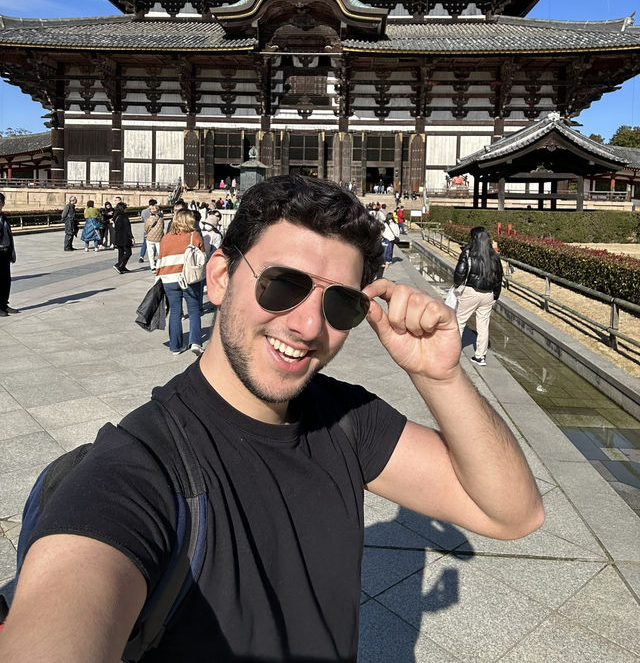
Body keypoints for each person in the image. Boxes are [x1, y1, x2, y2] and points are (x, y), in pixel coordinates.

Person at [0, 176, 543, 662]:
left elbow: (513, 514)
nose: (308, 325)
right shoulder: (135, 473)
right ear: (218, 277)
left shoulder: (346, 419)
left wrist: (440, 376)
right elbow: (65, 607)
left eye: (339, 306)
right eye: (282, 284)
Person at [155, 209, 205, 355]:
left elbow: (160, 260)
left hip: (169, 279)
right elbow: (202, 258)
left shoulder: (166, 238)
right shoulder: (194, 236)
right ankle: (195, 342)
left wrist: (158, 278)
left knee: (175, 311)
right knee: (194, 311)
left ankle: (175, 346)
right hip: (189, 278)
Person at [453, 226, 503, 367]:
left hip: (471, 291)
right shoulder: (494, 256)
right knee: (483, 324)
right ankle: (480, 356)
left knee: (460, 321)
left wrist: (457, 285)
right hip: (488, 294)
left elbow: (460, 273)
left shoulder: (468, 253)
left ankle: (453, 352)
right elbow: (499, 278)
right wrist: (495, 296)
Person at [0, 192, 18, 317]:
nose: (1, 205)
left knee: (6, 280)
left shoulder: (3, 217)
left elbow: (9, 236)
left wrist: (12, 252)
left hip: (5, 252)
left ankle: (4, 304)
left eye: (2, 203)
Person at [113, 202, 135, 274]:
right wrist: (131, 237)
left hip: (118, 237)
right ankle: (119, 265)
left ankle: (122, 267)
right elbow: (127, 228)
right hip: (124, 238)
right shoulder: (124, 216)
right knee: (128, 252)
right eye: (125, 207)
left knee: (121, 252)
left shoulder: (116, 216)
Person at [143, 204, 165, 271]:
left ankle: (153, 267)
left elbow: (146, 229)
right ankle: (160, 265)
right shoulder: (161, 219)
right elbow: (163, 227)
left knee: (151, 253)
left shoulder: (149, 220)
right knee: (160, 252)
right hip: (159, 238)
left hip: (150, 238)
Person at [138, 198, 157, 264]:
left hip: (146, 229)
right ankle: (153, 257)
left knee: (145, 244)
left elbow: (142, 219)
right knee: (154, 244)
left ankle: (141, 257)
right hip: (154, 230)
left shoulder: (143, 211)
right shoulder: (155, 211)